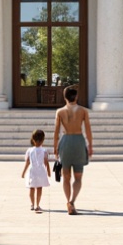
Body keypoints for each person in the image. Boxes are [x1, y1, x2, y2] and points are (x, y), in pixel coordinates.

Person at [53, 86, 93, 215]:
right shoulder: (83, 111)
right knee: (78, 176)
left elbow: (56, 132)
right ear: (76, 97)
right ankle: (72, 201)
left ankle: (67, 201)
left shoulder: (60, 112)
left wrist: (55, 148)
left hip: (65, 141)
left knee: (66, 177)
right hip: (78, 141)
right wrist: (90, 145)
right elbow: (87, 129)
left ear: (64, 97)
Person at [21, 129, 51, 212]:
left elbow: (27, 162)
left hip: (32, 170)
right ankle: (37, 205)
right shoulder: (44, 151)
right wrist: (48, 171)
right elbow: (46, 162)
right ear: (43, 140)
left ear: (33, 140)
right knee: (39, 188)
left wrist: (23, 172)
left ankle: (32, 204)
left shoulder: (30, 150)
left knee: (32, 188)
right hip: (41, 171)